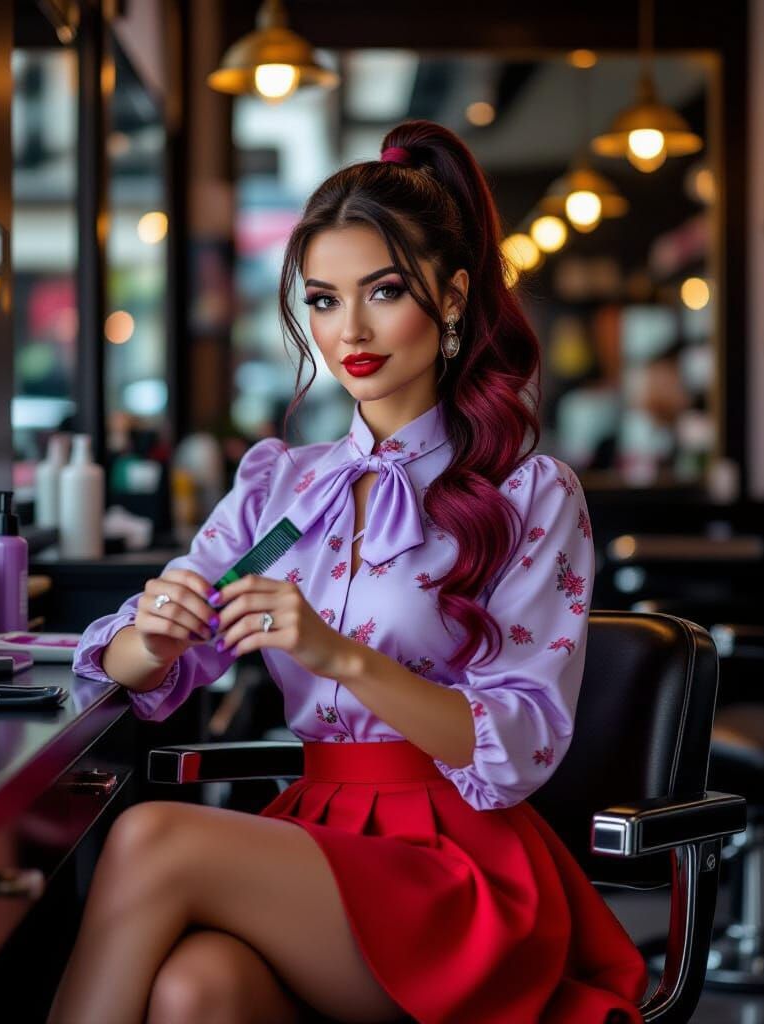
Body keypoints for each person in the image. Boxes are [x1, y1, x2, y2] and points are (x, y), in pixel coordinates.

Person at [49, 120, 647, 1024]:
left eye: (384, 291)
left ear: (450, 300)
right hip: (317, 835)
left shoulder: (528, 494)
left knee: (147, 834)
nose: (350, 331)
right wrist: (152, 632)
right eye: (323, 301)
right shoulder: (278, 488)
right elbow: (140, 670)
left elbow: (524, 744)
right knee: (193, 990)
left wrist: (340, 655)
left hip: (459, 867)